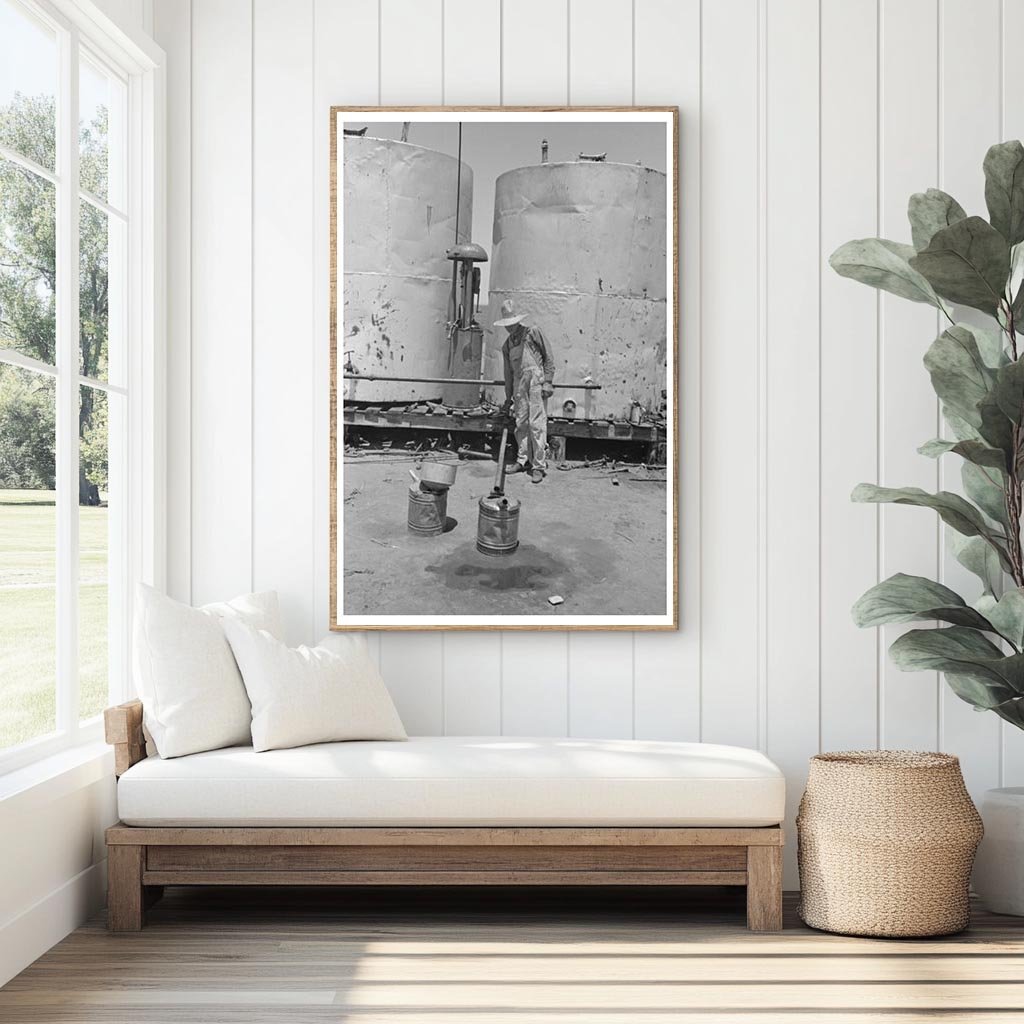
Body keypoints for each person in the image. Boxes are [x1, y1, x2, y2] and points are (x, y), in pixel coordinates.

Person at [493, 299, 555, 483]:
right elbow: (508, 373)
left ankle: (538, 466)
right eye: (507, 325)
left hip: (536, 382)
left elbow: (548, 357)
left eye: (512, 324)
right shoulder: (507, 345)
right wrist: (508, 396)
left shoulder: (532, 333)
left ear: (518, 321)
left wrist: (548, 382)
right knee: (521, 424)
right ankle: (522, 460)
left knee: (537, 424)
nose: (510, 328)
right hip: (519, 386)